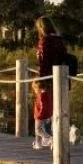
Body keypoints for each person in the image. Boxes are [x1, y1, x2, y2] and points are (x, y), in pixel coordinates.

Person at [34, 15, 68, 148]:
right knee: (55, 111)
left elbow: (44, 63)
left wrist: (40, 81)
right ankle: (56, 138)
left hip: (47, 80)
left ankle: (46, 139)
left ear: (41, 28)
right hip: (61, 80)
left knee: (41, 109)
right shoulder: (60, 41)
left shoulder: (45, 41)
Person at [32, 79, 52, 149]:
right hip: (47, 115)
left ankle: (49, 138)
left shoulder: (41, 95)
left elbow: (43, 106)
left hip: (40, 116)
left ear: (38, 88)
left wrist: (40, 115)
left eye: (35, 90)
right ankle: (38, 144)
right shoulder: (48, 94)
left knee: (38, 130)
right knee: (43, 130)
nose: (35, 92)